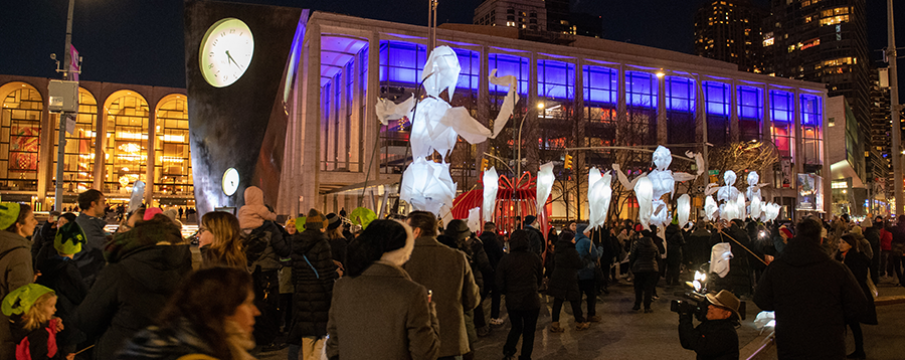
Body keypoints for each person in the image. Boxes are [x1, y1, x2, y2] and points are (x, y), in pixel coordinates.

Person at [74, 212, 193, 360]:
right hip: (163, 352)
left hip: (122, 349)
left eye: (128, 226)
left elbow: (87, 319)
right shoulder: (184, 267)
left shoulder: (121, 269)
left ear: (139, 232)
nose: (122, 231)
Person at [753, 216, 868, 359]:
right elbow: (858, 304)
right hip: (828, 342)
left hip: (790, 341)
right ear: (820, 240)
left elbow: (761, 299)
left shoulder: (777, 269)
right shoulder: (836, 270)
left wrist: (783, 305)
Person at [325, 220, 440, 360]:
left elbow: (333, 342)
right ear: (404, 251)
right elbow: (425, 353)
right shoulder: (412, 293)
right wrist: (430, 312)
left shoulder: (343, 287)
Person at [116, 267, 260, 360]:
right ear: (224, 307)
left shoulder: (160, 340)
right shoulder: (196, 355)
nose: (256, 311)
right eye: (248, 303)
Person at [403, 211, 479, 360]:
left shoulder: (404, 258)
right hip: (451, 338)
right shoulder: (457, 257)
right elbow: (472, 299)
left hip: (415, 339)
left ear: (416, 231)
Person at [237, 187, 289, 351]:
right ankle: (267, 340)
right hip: (267, 272)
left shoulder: (241, 223)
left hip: (247, 271)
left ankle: (252, 338)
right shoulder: (269, 226)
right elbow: (283, 249)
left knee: (250, 304)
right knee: (269, 305)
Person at [289, 210, 337, 360]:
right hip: (320, 295)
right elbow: (326, 274)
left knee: (307, 335)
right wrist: (332, 295)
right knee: (322, 336)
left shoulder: (296, 243)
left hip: (302, 293)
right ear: (321, 226)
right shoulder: (322, 243)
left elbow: (294, 273)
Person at [34, 222, 88, 355]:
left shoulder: (46, 264)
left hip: (48, 319)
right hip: (67, 324)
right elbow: (81, 296)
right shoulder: (70, 270)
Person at [496, 230, 542, 360]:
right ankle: (525, 356)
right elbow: (539, 278)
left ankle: (509, 351)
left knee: (516, 327)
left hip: (513, 301)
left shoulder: (506, 259)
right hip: (531, 300)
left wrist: (508, 291)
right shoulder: (534, 258)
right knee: (529, 331)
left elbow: (499, 282)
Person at [0, 203, 37, 360]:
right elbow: (20, 297)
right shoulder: (20, 252)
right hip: (5, 325)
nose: (36, 222)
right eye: (32, 218)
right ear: (18, 225)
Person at [2, 284, 70, 360]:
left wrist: (52, 323)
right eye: (51, 306)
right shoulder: (39, 334)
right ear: (38, 309)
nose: (55, 310)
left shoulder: (23, 325)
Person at [839, 234, 878, 360]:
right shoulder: (843, 257)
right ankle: (858, 350)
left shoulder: (853, 258)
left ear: (850, 244)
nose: (840, 244)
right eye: (840, 242)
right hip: (849, 295)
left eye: (843, 242)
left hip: (852, 296)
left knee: (850, 323)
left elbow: (857, 278)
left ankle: (856, 351)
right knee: (851, 324)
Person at [678, 290, 741, 360]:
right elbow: (687, 342)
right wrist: (685, 317)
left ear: (727, 314)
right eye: (711, 304)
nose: (709, 307)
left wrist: (685, 317)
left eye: (715, 306)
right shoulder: (710, 325)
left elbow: (701, 346)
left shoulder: (727, 333)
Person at [547, 230, 588, 332]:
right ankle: (579, 322)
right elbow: (578, 264)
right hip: (569, 279)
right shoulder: (571, 251)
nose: (574, 240)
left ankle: (555, 324)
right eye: (573, 239)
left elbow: (552, 264)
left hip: (558, 277)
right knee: (575, 301)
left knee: (558, 301)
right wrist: (586, 260)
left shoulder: (558, 249)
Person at [73, 189, 107, 287]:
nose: (105, 205)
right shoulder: (86, 225)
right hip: (89, 277)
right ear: (93, 204)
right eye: (102, 202)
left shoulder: (88, 222)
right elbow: (101, 248)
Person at [480, 222, 504, 327]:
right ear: (493, 229)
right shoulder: (494, 240)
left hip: (483, 270)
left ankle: (477, 314)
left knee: (483, 293)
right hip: (494, 269)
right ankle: (494, 317)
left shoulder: (479, 239)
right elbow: (500, 254)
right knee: (496, 293)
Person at [575, 225, 601, 323]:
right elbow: (595, 255)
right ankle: (591, 314)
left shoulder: (574, 240)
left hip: (577, 273)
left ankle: (578, 316)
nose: (590, 233)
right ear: (584, 231)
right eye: (588, 231)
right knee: (591, 295)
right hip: (588, 272)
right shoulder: (587, 242)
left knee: (578, 297)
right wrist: (600, 250)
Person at [630, 229, 660, 313]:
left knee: (638, 288)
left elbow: (633, 256)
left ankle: (637, 304)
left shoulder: (637, 244)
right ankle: (647, 307)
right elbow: (658, 257)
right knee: (649, 289)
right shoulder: (654, 245)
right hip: (652, 269)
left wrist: (632, 267)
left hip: (639, 268)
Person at [665, 223, 685, 287]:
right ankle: (675, 280)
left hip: (669, 250)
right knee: (676, 267)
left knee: (669, 266)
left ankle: (668, 280)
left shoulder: (667, 232)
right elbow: (682, 242)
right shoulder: (678, 233)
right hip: (676, 251)